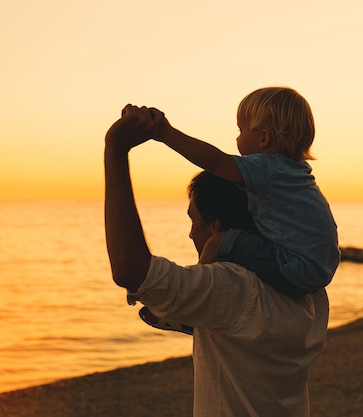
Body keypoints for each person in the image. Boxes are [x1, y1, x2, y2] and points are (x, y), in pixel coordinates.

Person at [104, 104, 329, 417]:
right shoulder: (309, 296)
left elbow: (131, 270)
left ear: (215, 225)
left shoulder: (234, 291)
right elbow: (238, 325)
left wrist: (115, 150)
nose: (190, 233)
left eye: (193, 220)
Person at [140, 87, 340, 298]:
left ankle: (192, 298)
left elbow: (215, 162)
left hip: (296, 267)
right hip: (319, 268)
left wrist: (165, 133)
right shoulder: (294, 173)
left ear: (264, 138)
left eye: (241, 130)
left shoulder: (266, 168)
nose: (237, 139)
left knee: (218, 241)